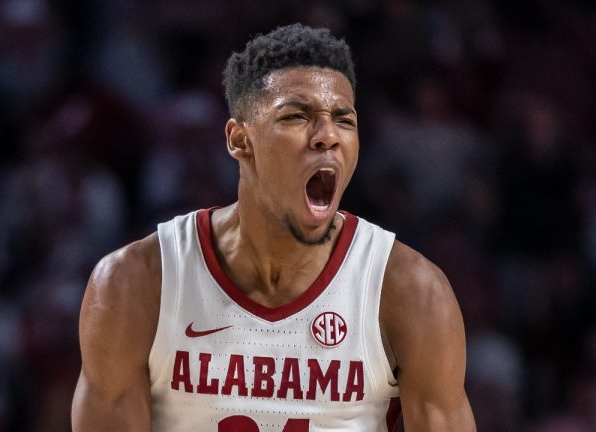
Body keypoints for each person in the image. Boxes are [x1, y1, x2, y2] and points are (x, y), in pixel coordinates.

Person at [71, 23, 476, 431]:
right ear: (239, 140)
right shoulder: (136, 284)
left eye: (344, 120)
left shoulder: (409, 291)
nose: (327, 136)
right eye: (297, 116)